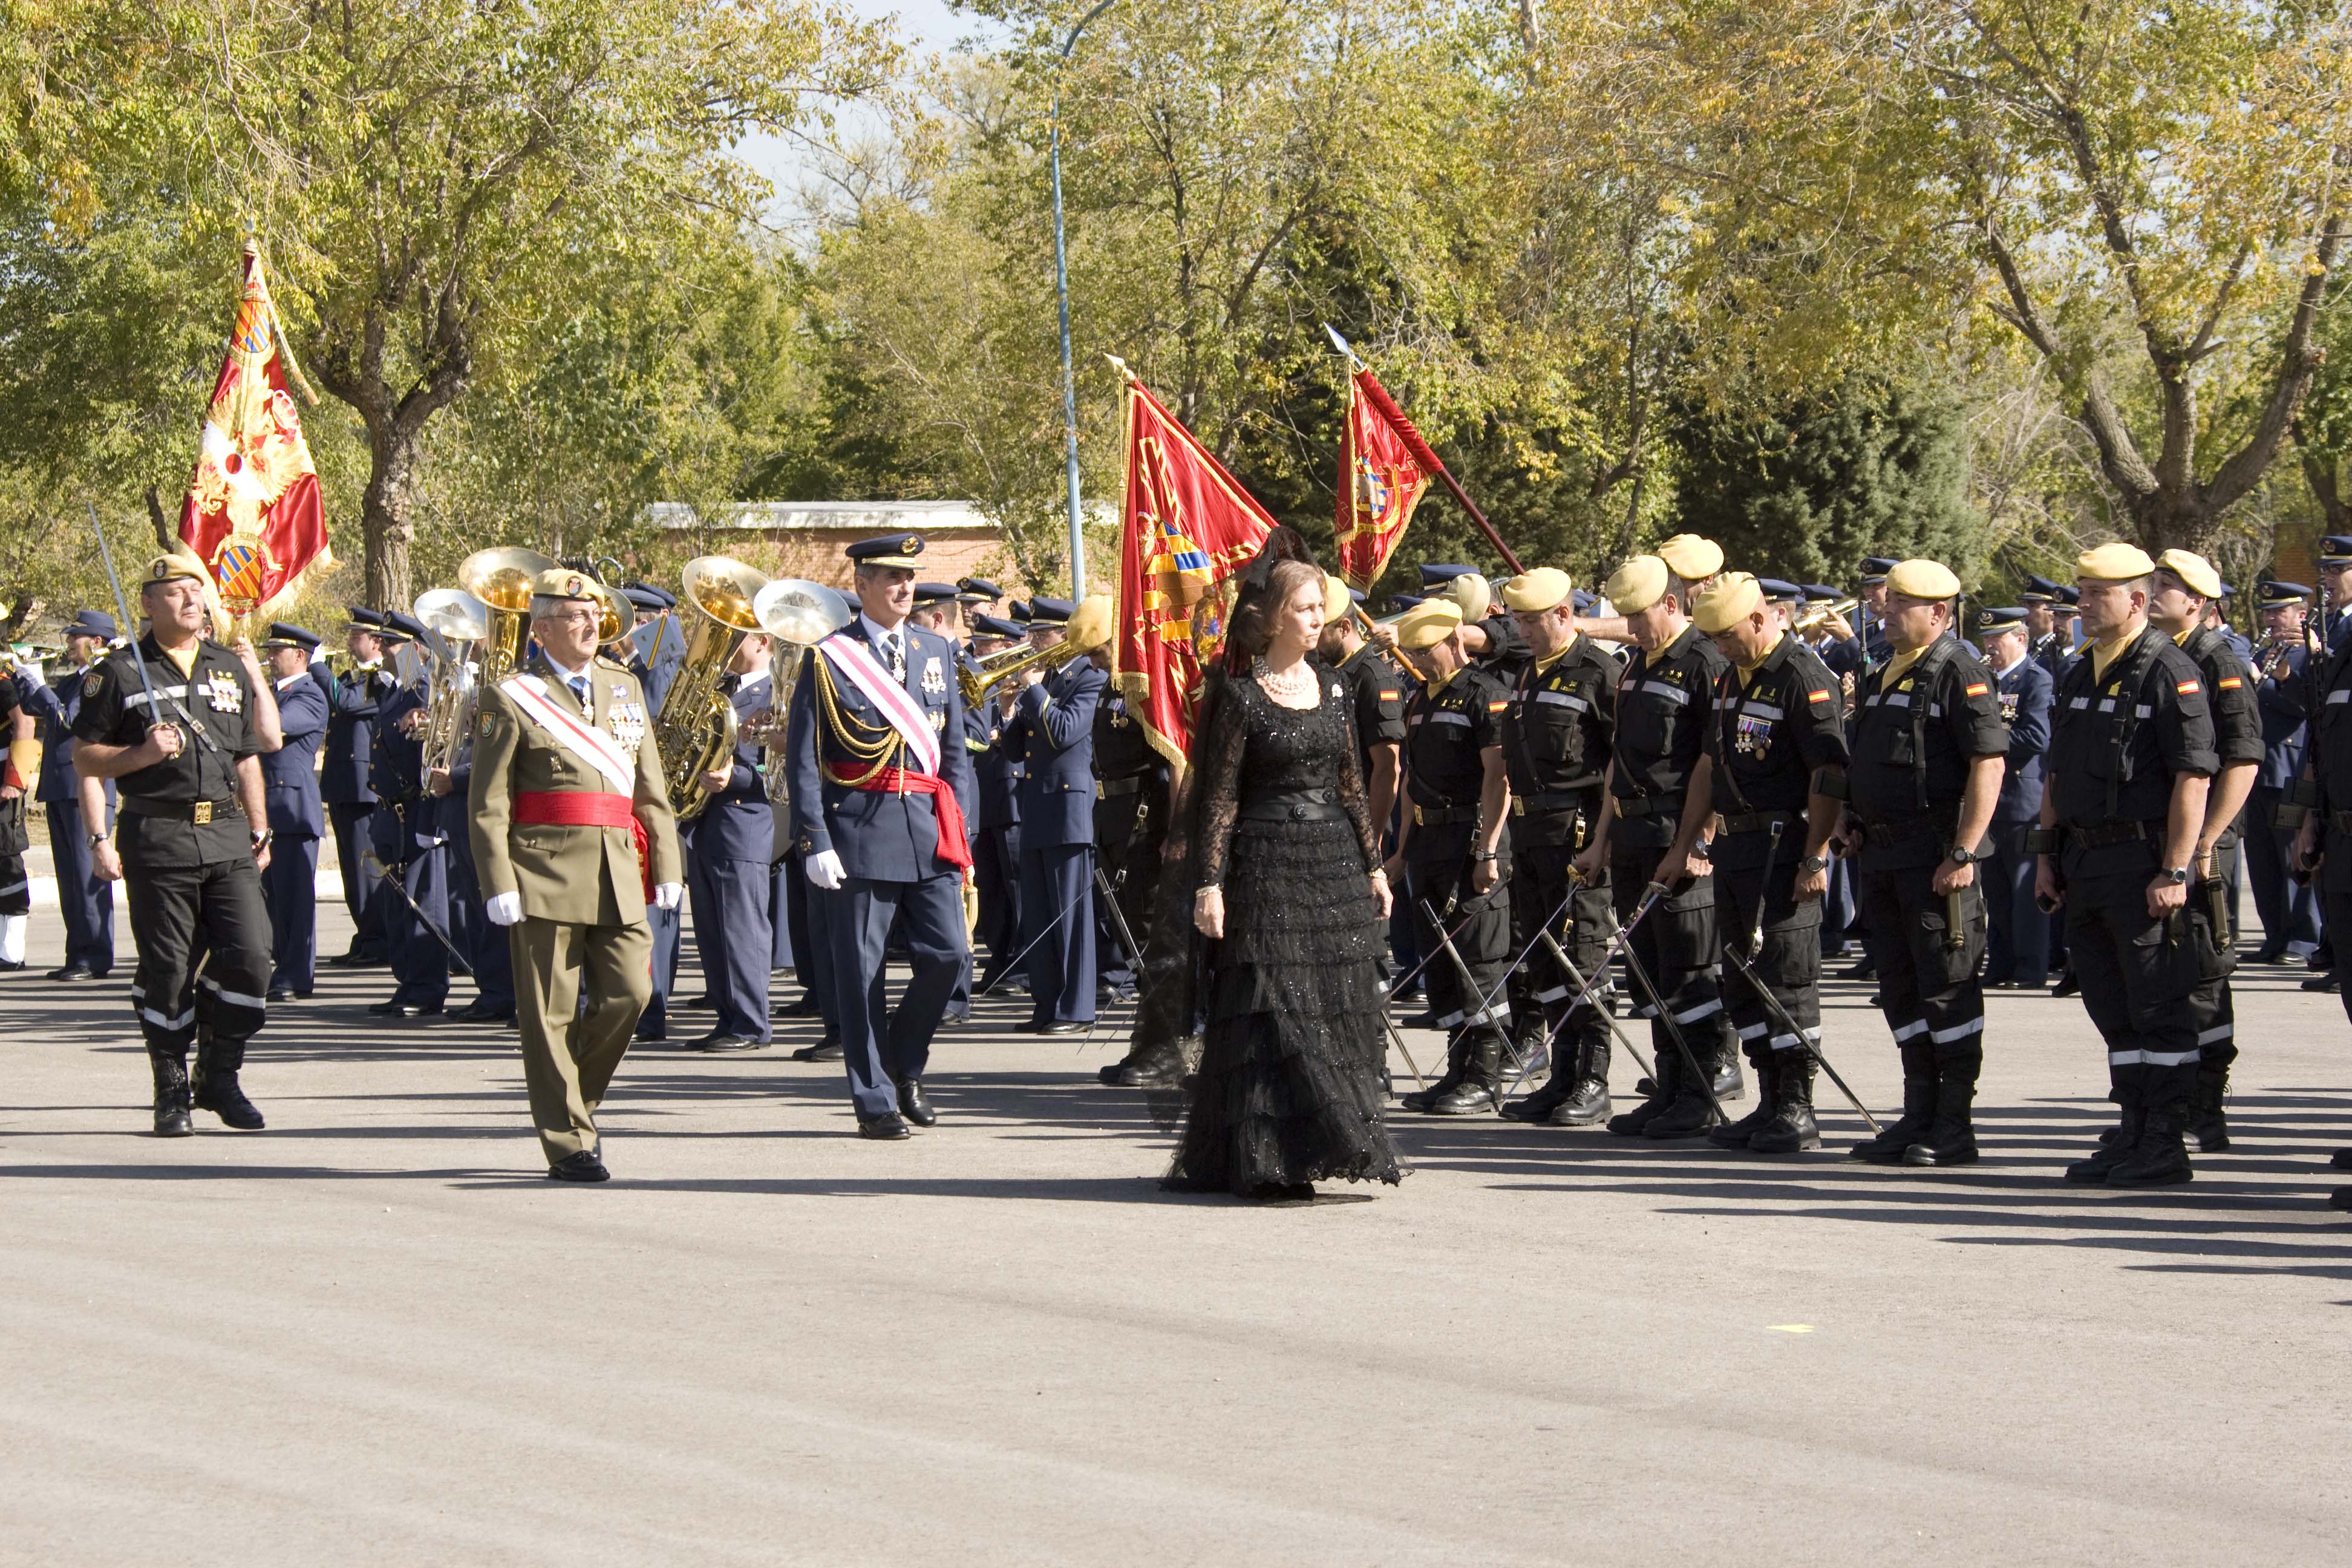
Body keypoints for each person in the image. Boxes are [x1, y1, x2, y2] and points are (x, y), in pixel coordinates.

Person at [1169, 556, 1399, 1200]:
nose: (1318, 618)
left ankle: (1315, 1149)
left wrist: (1374, 866)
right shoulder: (1240, 696)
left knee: (1326, 1000)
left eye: (1321, 608)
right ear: (1272, 618)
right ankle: (1262, 1156)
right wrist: (1209, 884)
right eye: (1305, 608)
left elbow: (1352, 786)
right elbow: (1220, 797)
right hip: (1266, 864)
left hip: (1332, 865)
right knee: (1270, 1005)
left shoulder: (1336, 688)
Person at [469, 567, 683, 1180]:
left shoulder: (624, 687)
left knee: (632, 994)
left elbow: (650, 788)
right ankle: (568, 1142)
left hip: (619, 868)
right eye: (574, 615)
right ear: (541, 629)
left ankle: (572, 1103)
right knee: (550, 1016)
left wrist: (668, 861)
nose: (591, 624)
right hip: (544, 871)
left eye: (594, 613)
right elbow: (488, 802)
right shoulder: (511, 696)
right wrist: (499, 882)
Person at [71, 550, 282, 1135]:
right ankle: (170, 1085)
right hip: (159, 836)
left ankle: (219, 1073)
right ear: (147, 604)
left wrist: (260, 825)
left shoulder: (226, 666)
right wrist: (141, 754)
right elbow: (84, 758)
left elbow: (247, 756)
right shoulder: (118, 673)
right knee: (168, 969)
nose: (191, 600)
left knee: (252, 957)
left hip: (228, 836)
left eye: (196, 591)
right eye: (175, 592)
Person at [784, 535, 979, 1138]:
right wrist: (815, 839)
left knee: (950, 956)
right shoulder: (829, 658)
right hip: (860, 828)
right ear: (862, 585)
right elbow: (803, 758)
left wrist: (962, 830)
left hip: (927, 828)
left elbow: (954, 753)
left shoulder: (933, 649)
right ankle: (873, 1101)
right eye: (891, 577)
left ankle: (904, 1064)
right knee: (862, 974)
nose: (904, 587)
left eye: (909, 576)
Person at [2037, 543, 2217, 1187]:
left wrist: (2175, 870)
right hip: (2085, 861)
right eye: (2082, 592)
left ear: (2137, 601)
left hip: (2142, 863)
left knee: (2157, 1006)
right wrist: (2046, 855)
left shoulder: (2168, 669)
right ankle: (2133, 1130)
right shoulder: (2083, 669)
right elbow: (2057, 772)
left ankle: (2165, 1142)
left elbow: (2193, 777)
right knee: (2112, 1006)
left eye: (2097, 594)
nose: (2082, 604)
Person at [1837, 561, 2007, 1166]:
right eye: (1887, 601)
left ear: (1938, 613)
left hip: (1935, 859)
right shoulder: (1885, 671)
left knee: (1946, 991)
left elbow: (1988, 763)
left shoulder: (1958, 671)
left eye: (1900, 604)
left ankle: (1954, 1124)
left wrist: (1964, 850)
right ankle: (1918, 1114)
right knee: (1901, 990)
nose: (1885, 611)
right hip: (1884, 856)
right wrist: (1853, 819)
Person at [1575, 555, 1741, 1136]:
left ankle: (1700, 1092)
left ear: (1671, 604)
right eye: (1625, 618)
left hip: (1678, 834)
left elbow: (1712, 761)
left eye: (1639, 616)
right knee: (1648, 971)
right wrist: (1601, 839)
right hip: (1633, 835)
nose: (1632, 628)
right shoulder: (1638, 666)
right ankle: (1669, 1087)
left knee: (1689, 968)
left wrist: (1698, 841)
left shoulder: (1704, 663)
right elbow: (1619, 762)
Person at [1685, 572, 1848, 1153]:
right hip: (1735, 849)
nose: (1721, 647)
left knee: (1787, 978)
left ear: (1759, 619)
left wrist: (1816, 857)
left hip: (1784, 849)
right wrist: (1688, 842)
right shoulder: (1732, 678)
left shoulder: (1802, 677)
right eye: (1714, 638)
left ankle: (1798, 1108)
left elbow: (1828, 774)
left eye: (1728, 635)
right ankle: (1770, 1101)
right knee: (1742, 979)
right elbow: (1711, 765)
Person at [1490, 567, 1621, 1125]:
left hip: (1576, 832)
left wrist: (1603, 840)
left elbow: (1618, 765)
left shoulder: (1599, 673)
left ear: (1564, 615)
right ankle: (1562, 1076)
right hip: (1530, 833)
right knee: (1542, 958)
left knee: (1582, 955)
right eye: (1518, 621)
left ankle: (1592, 1079)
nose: (1522, 631)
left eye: (1531, 621)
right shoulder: (1528, 673)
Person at [2147, 550, 2262, 1153]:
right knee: (2161, 972)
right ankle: (2161, 1105)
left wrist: (2207, 840)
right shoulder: (2153, 654)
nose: (2153, 592)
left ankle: (2206, 1106)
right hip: (2163, 837)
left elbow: (2242, 758)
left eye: (2166, 585)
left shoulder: (2219, 659)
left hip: (2204, 842)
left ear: (2197, 601)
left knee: (2204, 969)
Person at [1385, 597, 1515, 1115]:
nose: (1419, 659)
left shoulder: (1485, 694)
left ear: (1455, 640)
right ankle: (1457, 1070)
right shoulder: (1420, 699)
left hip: (1470, 840)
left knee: (1477, 959)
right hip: (1429, 844)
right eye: (1413, 651)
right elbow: (1410, 783)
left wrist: (1487, 849)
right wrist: (1401, 851)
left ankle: (1485, 1076)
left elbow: (1498, 778)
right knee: (1440, 959)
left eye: (1427, 649)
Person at [1002, 595, 1106, 1035]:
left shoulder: (1090, 677)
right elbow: (1014, 750)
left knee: (1071, 915)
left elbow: (1064, 732)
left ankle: (1077, 1009)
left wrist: (1033, 691)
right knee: (1040, 914)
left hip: (1068, 809)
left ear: (1064, 635)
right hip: (1037, 806)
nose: (1031, 641)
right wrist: (1008, 708)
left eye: (1039, 634)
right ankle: (1047, 1004)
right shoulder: (1045, 680)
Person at [680, 626, 776, 1052]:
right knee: (712, 932)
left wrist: (735, 776)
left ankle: (752, 1023)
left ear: (762, 642)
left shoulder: (777, 695)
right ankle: (727, 1017)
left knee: (743, 930)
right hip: (704, 824)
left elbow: (779, 767)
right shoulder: (721, 688)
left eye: (736, 637)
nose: (726, 644)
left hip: (743, 823)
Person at [13, 609, 119, 978]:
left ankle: (95, 956)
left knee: (87, 874)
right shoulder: (75, 679)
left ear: (96, 641)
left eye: (76, 637)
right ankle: (78, 954)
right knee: (69, 878)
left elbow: (70, 721)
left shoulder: (98, 678)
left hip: (85, 788)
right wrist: (22, 676)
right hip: (62, 786)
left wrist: (40, 683)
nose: (70, 643)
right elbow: (35, 707)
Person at [368, 612, 448, 1019]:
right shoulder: (399, 690)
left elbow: (442, 747)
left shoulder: (428, 691)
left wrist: (428, 718)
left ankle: (427, 986)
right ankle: (407, 983)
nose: (383, 650)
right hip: (392, 812)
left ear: (415, 649)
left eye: (391, 644)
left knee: (422, 902)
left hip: (417, 809)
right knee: (398, 903)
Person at [1975, 607, 2054, 990]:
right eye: (1987, 639)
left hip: (2022, 799)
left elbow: (2037, 737)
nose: (1990, 646)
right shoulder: (1984, 679)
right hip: (1990, 800)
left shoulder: (2036, 680)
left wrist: (1986, 739)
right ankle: (2001, 964)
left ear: (2021, 639)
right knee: (1996, 891)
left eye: (1998, 638)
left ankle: (2030, 967)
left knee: (2025, 889)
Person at [1091, 645, 1169, 1008]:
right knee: (1121, 916)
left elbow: (1168, 759)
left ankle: (1160, 1010)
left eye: (1097, 652)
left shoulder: (1144, 683)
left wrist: (1172, 826)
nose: (1093, 662)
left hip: (1142, 814)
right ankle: (1148, 1002)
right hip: (1111, 815)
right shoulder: (1111, 684)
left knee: (1145, 917)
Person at [2247, 581, 2320, 964]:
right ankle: (2274, 936)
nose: (2271, 619)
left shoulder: (2311, 655)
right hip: (2256, 770)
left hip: (2289, 769)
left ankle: (2303, 939)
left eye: (2280, 612)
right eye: (2267, 612)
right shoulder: (2261, 652)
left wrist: (2281, 679)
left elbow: (2305, 709)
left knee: (2293, 855)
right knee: (2262, 862)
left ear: (2301, 615)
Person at [256, 623, 328, 1001]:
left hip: (293, 809)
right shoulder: (273, 693)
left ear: (300, 656)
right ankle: (282, 966)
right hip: (269, 809)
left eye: (276, 651)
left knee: (295, 900)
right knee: (274, 898)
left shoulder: (309, 695)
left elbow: (273, 730)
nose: (270, 658)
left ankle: (297, 974)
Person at [322, 607, 394, 967]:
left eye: (357, 636)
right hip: (343, 784)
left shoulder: (381, 680)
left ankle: (378, 938)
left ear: (376, 642)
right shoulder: (350, 677)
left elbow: (348, 705)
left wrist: (317, 669)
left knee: (365, 866)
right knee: (351, 869)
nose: (350, 642)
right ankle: (365, 935)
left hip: (363, 787)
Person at [968, 613, 1028, 998]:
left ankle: (1022, 965)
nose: (978, 651)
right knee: (991, 887)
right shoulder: (980, 679)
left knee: (1016, 884)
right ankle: (1000, 958)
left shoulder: (1019, 680)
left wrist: (1001, 724)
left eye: (985, 645)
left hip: (1011, 792)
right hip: (986, 794)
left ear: (1005, 647)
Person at [0, 667, 28, 970]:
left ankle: (12, 951)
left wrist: (14, 781)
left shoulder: (3, 684)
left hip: (3, 787)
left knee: (7, 859)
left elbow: (25, 723)